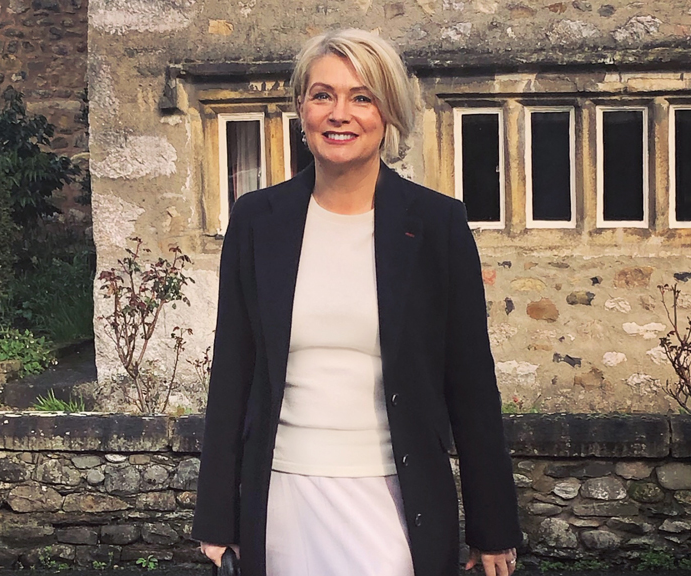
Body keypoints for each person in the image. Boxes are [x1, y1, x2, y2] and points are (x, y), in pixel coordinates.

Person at [192, 28, 522, 576]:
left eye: (361, 97)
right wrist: (217, 518)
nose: (339, 114)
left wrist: (493, 529)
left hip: (394, 499)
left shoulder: (437, 224)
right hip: (284, 498)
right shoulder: (257, 221)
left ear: (388, 113)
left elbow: (470, 385)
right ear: (302, 108)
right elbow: (232, 372)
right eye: (322, 95)